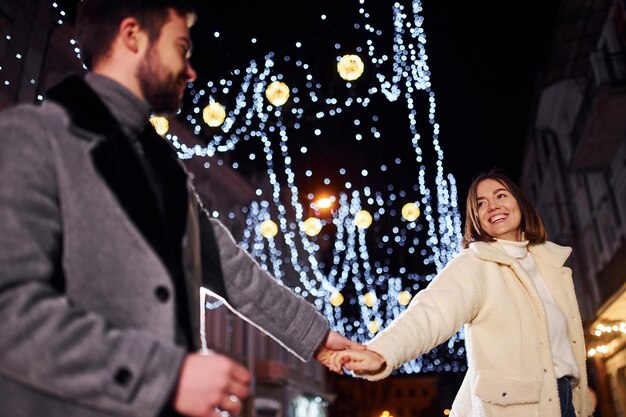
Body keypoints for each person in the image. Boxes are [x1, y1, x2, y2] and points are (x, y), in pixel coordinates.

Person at [0, 1, 363, 416]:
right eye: (181, 47)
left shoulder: (165, 170)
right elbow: (10, 310)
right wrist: (165, 375)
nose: (190, 70)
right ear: (132, 36)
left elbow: (235, 274)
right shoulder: (31, 138)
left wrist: (316, 337)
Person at [330, 170, 595, 417]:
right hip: (517, 408)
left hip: (566, 400)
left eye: (501, 195)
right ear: (476, 218)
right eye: (480, 203)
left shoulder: (550, 266)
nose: (492, 206)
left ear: (521, 204)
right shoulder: (476, 264)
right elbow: (431, 312)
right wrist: (381, 353)